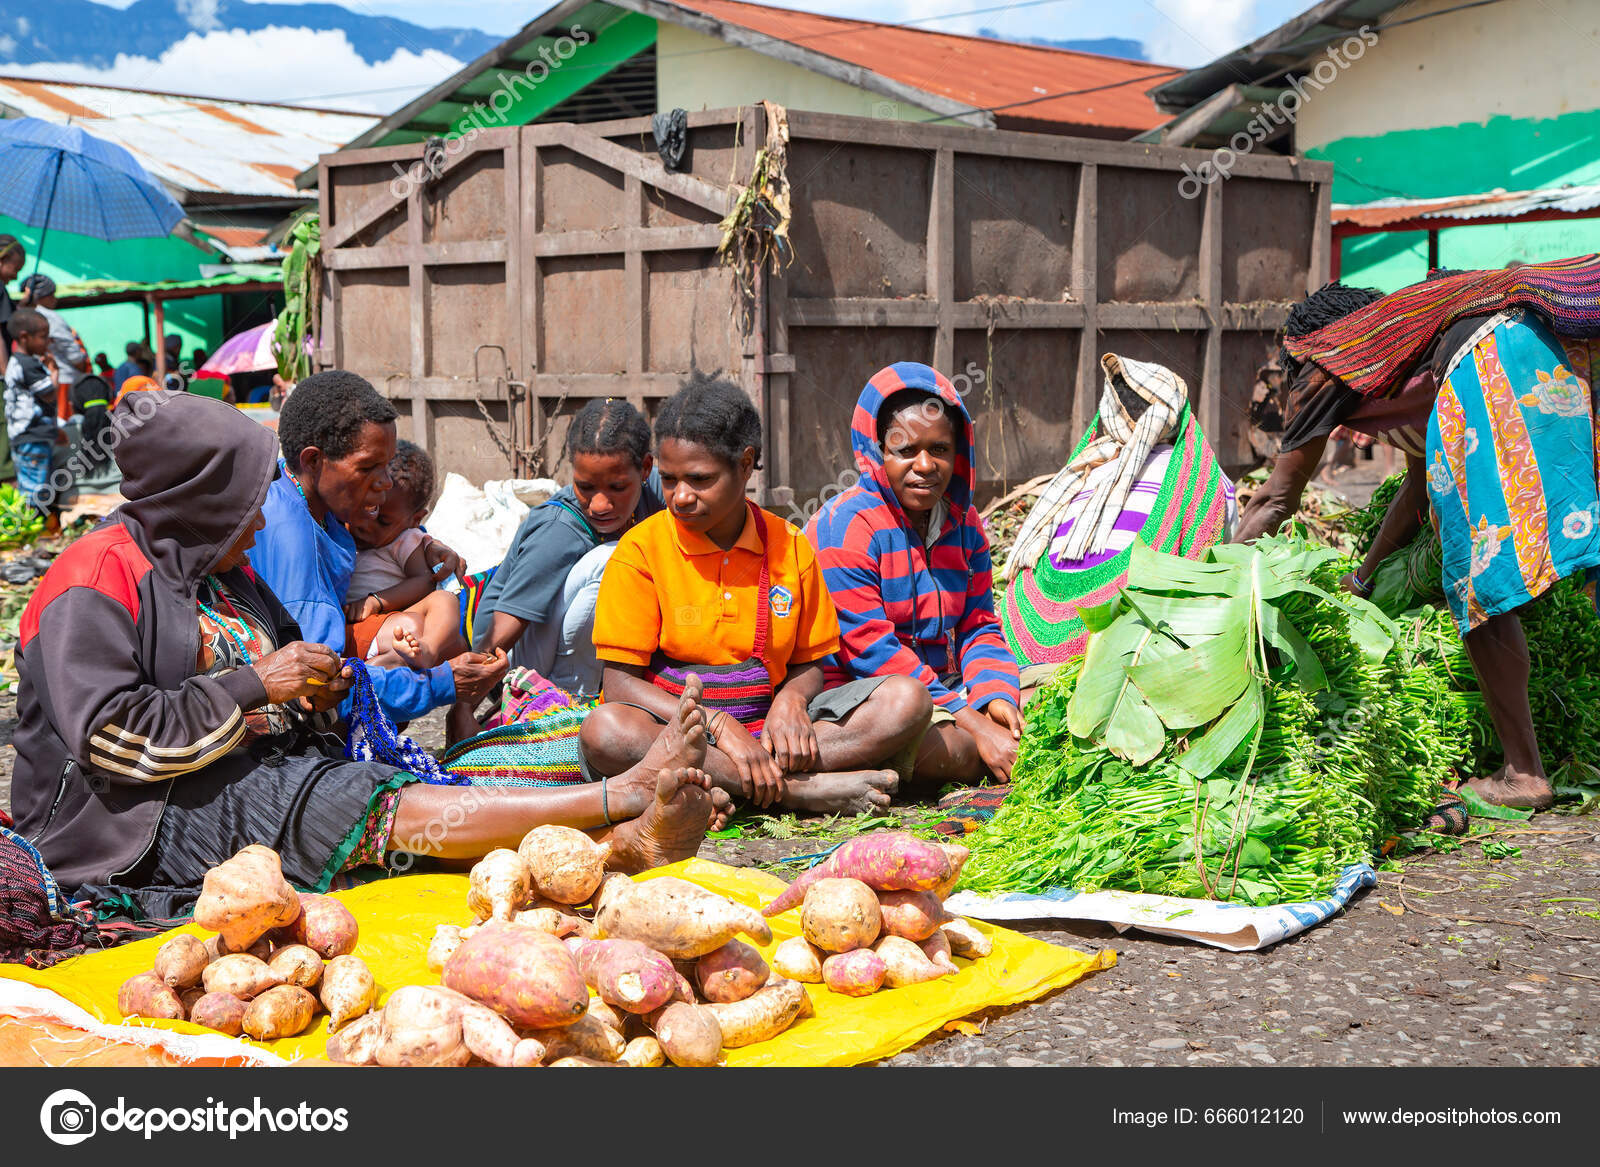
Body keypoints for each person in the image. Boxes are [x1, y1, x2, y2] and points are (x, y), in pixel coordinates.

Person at [9, 392, 726, 919]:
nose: (260, 517)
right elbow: (108, 734)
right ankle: (617, 801)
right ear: (199, 498)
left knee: (371, 794)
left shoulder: (219, 570)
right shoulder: (94, 576)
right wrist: (255, 684)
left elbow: (291, 660)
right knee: (338, 804)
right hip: (127, 820)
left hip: (234, 775)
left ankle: (608, 848)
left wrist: (315, 687)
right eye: (246, 502)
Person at [1234, 259, 1600, 811]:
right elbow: (1417, 487)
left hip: (1497, 363)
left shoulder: (1329, 356)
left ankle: (1523, 774)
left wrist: (1214, 585)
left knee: (1478, 572)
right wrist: (1361, 576)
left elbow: (1275, 498)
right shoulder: (1409, 343)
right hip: (1554, 355)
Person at [580, 374, 930, 815]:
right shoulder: (640, 551)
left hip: (769, 732)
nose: (680, 497)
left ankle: (736, 784)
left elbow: (808, 664)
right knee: (606, 732)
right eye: (669, 480)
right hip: (679, 728)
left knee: (908, 700)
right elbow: (618, 684)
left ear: (745, 465)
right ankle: (797, 792)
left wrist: (791, 701)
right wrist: (718, 726)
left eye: (699, 479)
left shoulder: (790, 545)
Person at [807, 363, 1024, 784]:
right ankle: (818, 769)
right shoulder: (845, 527)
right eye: (905, 450)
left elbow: (979, 625)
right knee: (960, 750)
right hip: (859, 695)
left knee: (1036, 706)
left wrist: (995, 696)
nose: (925, 465)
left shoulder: (964, 524)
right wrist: (976, 725)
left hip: (941, 687)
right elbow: (872, 652)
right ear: (875, 452)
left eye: (939, 449)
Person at [246, 369, 501, 726]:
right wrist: (442, 684)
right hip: (296, 716)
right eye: (368, 468)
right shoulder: (292, 537)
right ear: (313, 460)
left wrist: (426, 545)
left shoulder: (304, 493)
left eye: (386, 465)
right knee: (409, 636)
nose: (384, 482)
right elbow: (322, 689)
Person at [994, 353, 1234, 684]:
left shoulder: (1083, 468)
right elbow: (1217, 556)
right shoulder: (1204, 479)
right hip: (1114, 648)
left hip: (1024, 643)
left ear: (1109, 409)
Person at [472, 398, 662, 697]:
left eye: (617, 488)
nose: (600, 505)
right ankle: (571, 703)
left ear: (646, 469)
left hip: (571, 647)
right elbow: (504, 628)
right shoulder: (557, 528)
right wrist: (464, 706)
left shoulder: (658, 497)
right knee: (614, 559)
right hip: (512, 666)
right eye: (585, 487)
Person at [344, 440, 466, 670]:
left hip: (393, 619)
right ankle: (395, 660)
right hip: (357, 627)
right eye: (366, 508)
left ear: (415, 519)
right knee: (417, 630)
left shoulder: (406, 540)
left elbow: (423, 581)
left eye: (383, 521)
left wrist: (376, 601)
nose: (367, 524)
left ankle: (430, 657)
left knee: (445, 605)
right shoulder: (342, 528)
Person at [5, 309, 63, 535]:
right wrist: (53, 371)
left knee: (35, 486)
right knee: (36, 490)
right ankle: (32, 533)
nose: (46, 341)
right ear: (24, 337)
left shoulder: (19, 362)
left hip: (29, 435)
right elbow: (48, 393)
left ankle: (33, 532)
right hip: (32, 435)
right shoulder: (28, 365)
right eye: (42, 336)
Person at [18, 274, 88, 420]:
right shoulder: (49, 317)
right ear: (40, 297)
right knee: (67, 426)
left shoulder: (21, 316)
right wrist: (82, 364)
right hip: (63, 381)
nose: (54, 299)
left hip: (39, 380)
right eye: (51, 295)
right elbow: (71, 350)